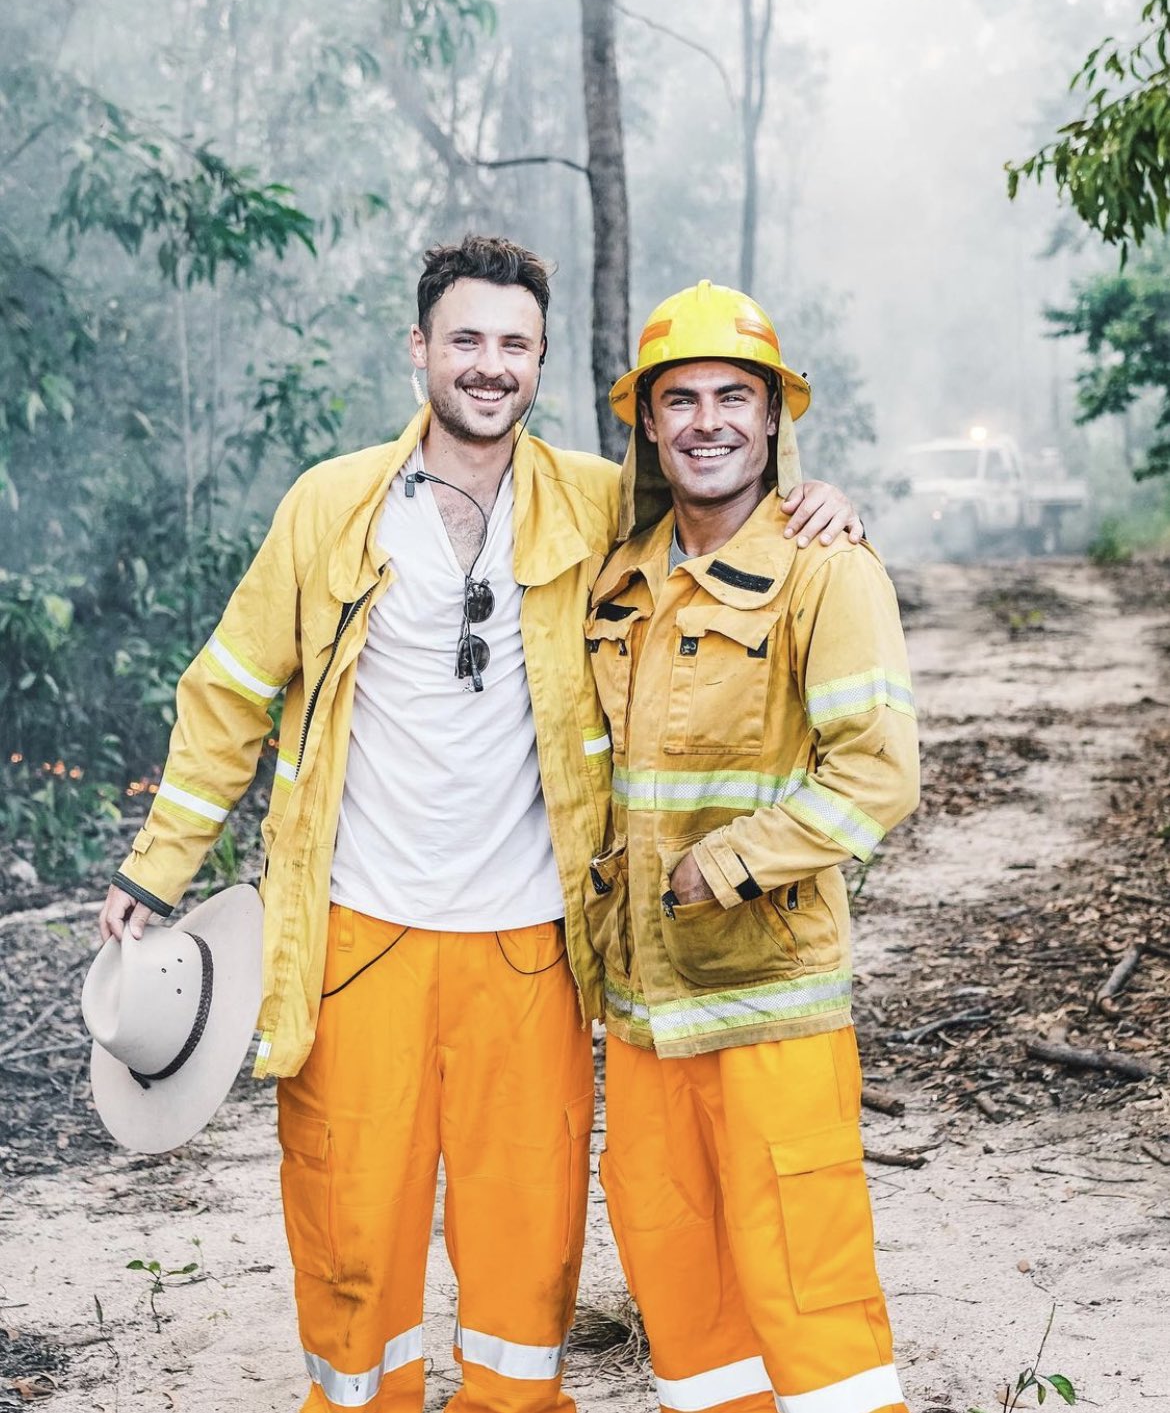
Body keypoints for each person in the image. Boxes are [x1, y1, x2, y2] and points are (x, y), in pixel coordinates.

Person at [96, 237, 863, 1413]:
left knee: (527, 1241)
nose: (489, 364)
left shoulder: (598, 503)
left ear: (540, 361)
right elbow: (227, 692)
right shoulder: (331, 507)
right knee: (353, 1230)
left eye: (515, 344)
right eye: (467, 339)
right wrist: (158, 868)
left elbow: (723, 516)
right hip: (359, 940)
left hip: (533, 947)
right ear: (420, 350)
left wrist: (820, 502)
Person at [584, 280, 919, 1413]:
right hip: (644, 1004)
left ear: (776, 417)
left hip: (770, 989)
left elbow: (878, 771)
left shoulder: (827, 566)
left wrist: (729, 860)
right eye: (680, 400)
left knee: (808, 1289)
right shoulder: (618, 576)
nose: (708, 420)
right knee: (684, 1296)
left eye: (737, 395)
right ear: (647, 422)